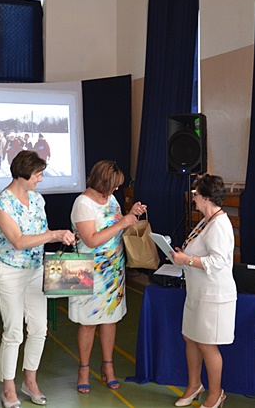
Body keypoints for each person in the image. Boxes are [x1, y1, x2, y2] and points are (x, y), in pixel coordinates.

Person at [0, 150, 77, 408]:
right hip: (9, 271)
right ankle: (8, 389)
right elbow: (18, 241)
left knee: (39, 328)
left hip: (36, 269)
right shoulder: (2, 205)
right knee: (14, 331)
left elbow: (41, 231)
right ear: (23, 174)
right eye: (38, 174)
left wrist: (60, 236)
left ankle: (30, 381)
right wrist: (53, 235)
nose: (40, 179)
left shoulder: (37, 200)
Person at [69, 160, 146, 394]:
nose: (116, 189)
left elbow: (117, 228)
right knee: (88, 322)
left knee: (110, 319)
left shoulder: (111, 199)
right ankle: (84, 370)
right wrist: (122, 222)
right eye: (114, 185)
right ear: (102, 182)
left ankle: (108, 366)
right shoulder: (83, 203)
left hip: (113, 270)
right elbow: (91, 239)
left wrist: (130, 215)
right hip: (87, 271)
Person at [171, 174, 235, 408]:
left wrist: (186, 260)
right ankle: (194, 385)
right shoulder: (206, 221)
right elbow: (197, 253)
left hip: (214, 295)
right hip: (196, 291)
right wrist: (181, 256)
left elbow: (218, 262)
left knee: (207, 344)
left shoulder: (220, 224)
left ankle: (216, 394)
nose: (193, 198)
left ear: (207, 198)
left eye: (196, 194)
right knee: (190, 337)